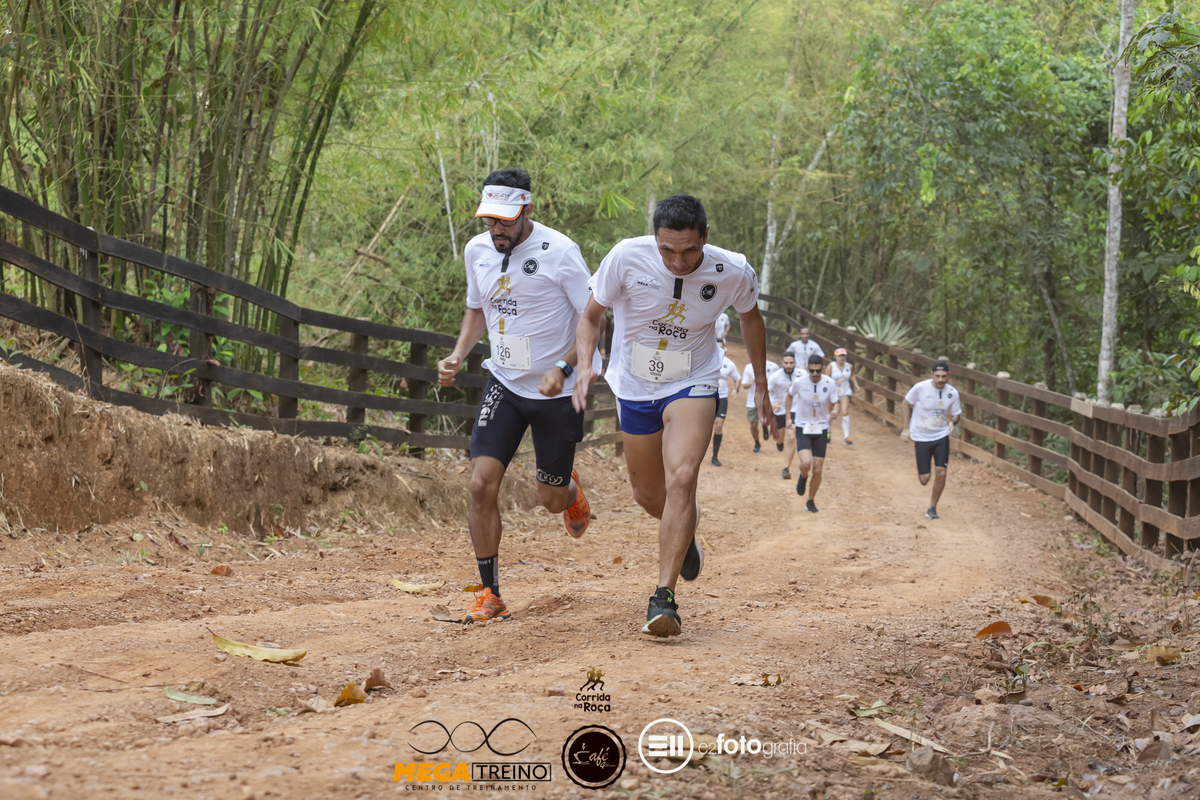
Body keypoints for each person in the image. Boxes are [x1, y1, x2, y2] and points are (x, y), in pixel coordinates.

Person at [573, 194, 772, 638]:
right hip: (634, 385)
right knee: (648, 494)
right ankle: (685, 538)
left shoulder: (732, 270)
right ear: (654, 238)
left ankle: (663, 597)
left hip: (693, 379)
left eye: (689, 251)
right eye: (667, 250)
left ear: (705, 237)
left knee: (682, 474)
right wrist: (584, 362)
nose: (678, 261)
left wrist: (760, 382)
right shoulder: (626, 256)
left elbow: (752, 320)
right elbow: (590, 317)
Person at [438, 168, 602, 623]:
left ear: (528, 209)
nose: (496, 230)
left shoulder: (561, 252)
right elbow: (477, 309)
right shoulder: (477, 250)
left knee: (548, 499)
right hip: (505, 383)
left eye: (506, 221)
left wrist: (565, 367)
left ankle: (570, 493)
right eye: (490, 220)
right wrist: (457, 355)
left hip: (557, 392)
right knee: (479, 483)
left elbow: (593, 319)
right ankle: (490, 593)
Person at [901, 360, 962, 520]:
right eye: (937, 376)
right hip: (921, 436)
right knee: (924, 479)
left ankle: (933, 507)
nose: (940, 379)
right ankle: (923, 474)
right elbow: (905, 404)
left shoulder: (952, 393)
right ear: (932, 375)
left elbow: (956, 413)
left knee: (941, 473)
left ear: (948, 375)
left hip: (941, 435)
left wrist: (953, 422)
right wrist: (906, 428)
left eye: (943, 376)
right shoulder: (920, 388)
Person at [788, 354, 839, 512]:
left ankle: (810, 500)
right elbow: (789, 396)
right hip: (803, 426)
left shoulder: (830, 383)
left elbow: (834, 401)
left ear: (823, 369)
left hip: (821, 428)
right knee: (806, 464)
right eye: (812, 371)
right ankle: (803, 476)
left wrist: (835, 410)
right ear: (807, 369)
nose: (815, 374)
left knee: (817, 468)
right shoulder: (799, 382)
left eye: (818, 371)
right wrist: (789, 418)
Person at [710, 340, 742, 466]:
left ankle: (715, 456)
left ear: (725, 349)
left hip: (722, 398)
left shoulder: (729, 364)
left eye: (721, 348)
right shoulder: (705, 361)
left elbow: (737, 378)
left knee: (718, 425)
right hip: (707, 398)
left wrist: (736, 389)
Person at [767, 353, 798, 477]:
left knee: (791, 437)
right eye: (786, 363)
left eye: (791, 363)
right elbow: (764, 392)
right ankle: (779, 443)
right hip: (779, 409)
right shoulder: (775, 376)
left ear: (795, 362)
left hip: (795, 410)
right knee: (780, 438)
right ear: (782, 363)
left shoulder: (801, 375)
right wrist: (771, 404)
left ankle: (786, 468)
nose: (789, 365)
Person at [741, 357, 780, 453]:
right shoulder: (749, 367)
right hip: (752, 400)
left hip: (769, 399)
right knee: (753, 424)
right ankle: (757, 442)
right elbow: (744, 385)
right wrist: (750, 383)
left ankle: (765, 426)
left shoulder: (773, 366)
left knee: (770, 419)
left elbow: (779, 382)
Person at [825, 348, 859, 445]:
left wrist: (856, 384)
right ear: (835, 356)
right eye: (839, 356)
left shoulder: (849, 366)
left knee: (845, 411)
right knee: (832, 414)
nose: (841, 358)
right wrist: (836, 382)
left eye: (843, 355)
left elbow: (852, 375)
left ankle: (846, 437)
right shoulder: (831, 366)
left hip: (845, 391)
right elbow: (826, 379)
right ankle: (827, 431)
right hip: (833, 392)